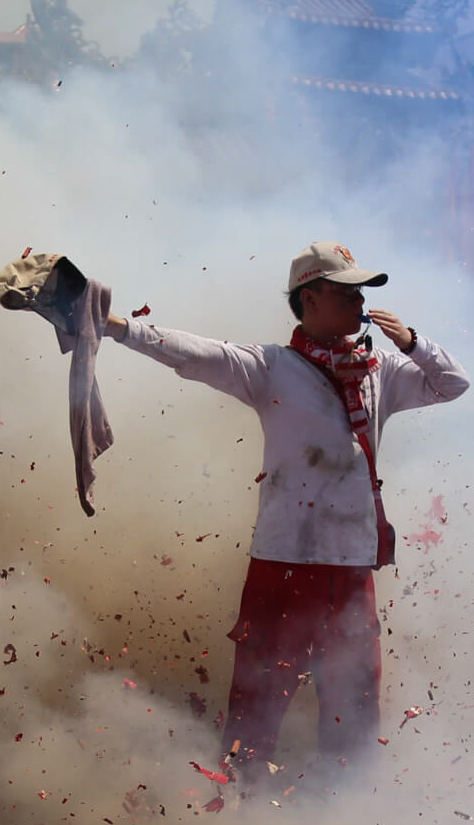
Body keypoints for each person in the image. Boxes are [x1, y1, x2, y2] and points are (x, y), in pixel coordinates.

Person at [103, 241, 468, 782]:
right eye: (346, 289)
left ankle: (348, 814)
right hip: (284, 563)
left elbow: (452, 383)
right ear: (310, 297)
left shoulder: (381, 370)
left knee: (356, 702)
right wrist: (109, 323)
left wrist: (414, 344)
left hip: (351, 566)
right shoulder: (271, 367)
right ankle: (238, 809)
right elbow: (189, 351)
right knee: (259, 700)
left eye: (361, 290)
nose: (359, 299)